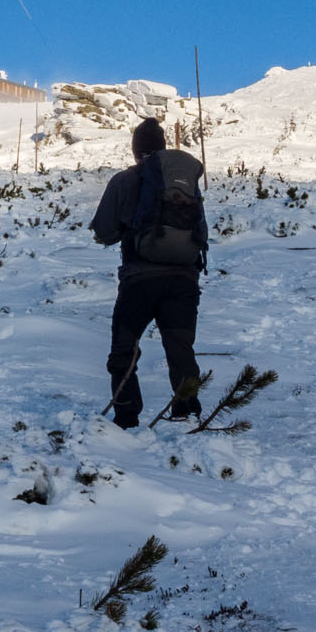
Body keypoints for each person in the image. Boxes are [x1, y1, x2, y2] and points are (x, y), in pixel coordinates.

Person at [91, 118, 206, 428]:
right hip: (183, 280)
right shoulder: (183, 183)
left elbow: (104, 231)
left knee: (124, 349)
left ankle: (127, 416)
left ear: (135, 150)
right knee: (180, 348)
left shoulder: (124, 180)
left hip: (139, 281)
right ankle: (188, 412)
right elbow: (200, 231)